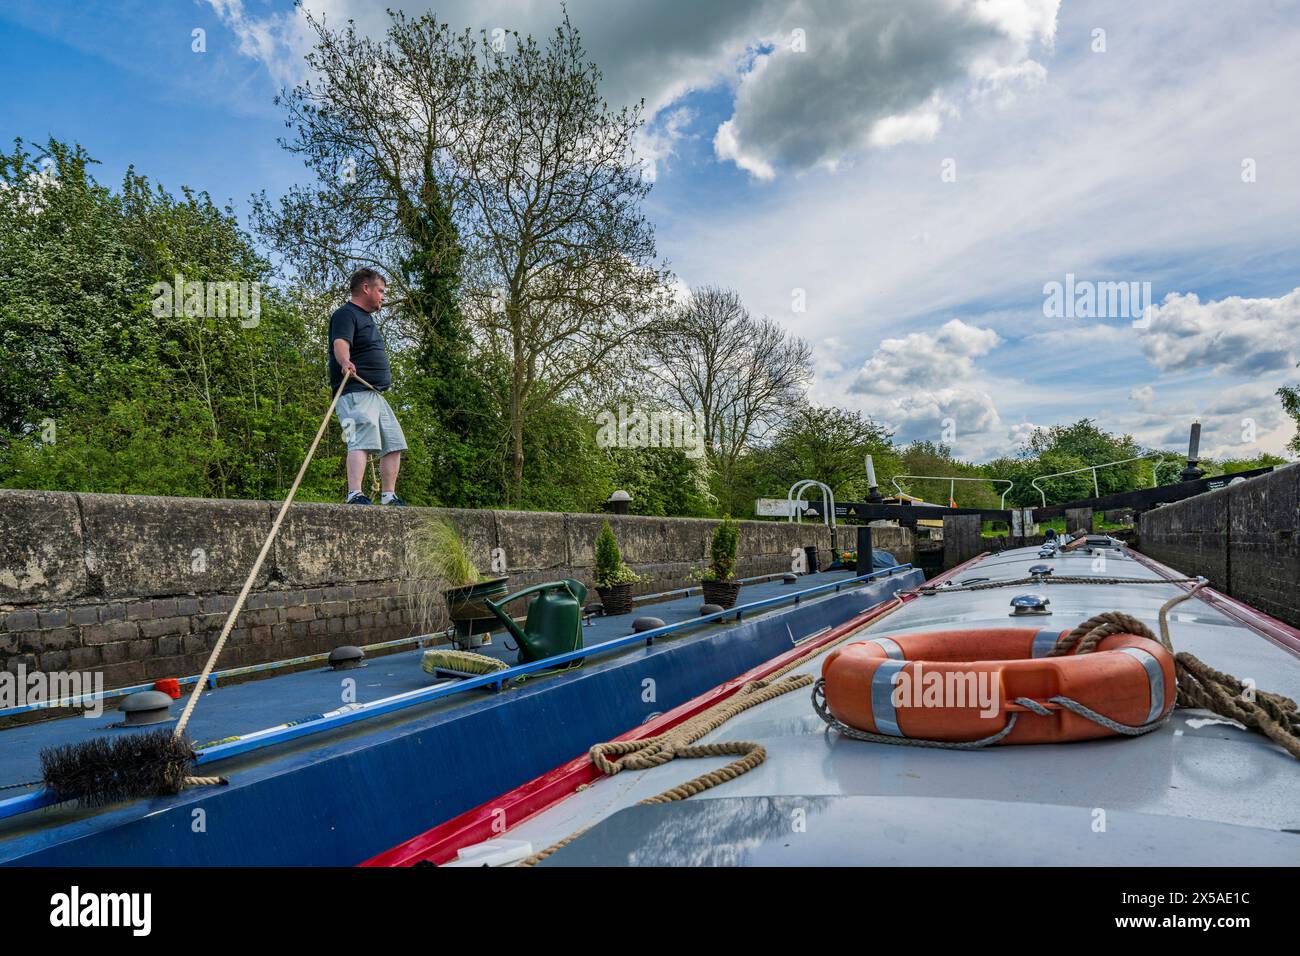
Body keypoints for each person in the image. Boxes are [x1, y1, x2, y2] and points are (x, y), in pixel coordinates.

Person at [328, 268, 408, 505]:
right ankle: (355, 493)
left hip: (375, 394)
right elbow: (340, 342)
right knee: (360, 439)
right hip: (354, 391)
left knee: (393, 443)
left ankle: (388, 496)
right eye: (381, 291)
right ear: (366, 288)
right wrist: (345, 362)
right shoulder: (345, 314)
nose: (383, 296)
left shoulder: (367, 318)